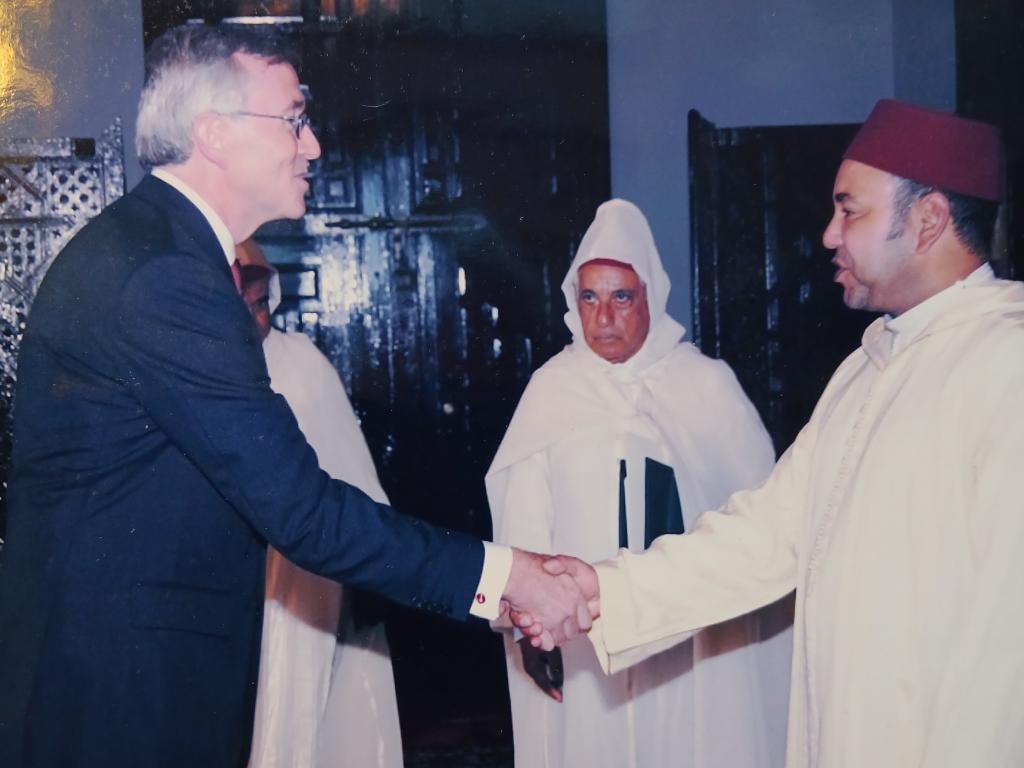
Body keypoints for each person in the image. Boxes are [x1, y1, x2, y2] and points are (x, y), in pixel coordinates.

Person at [0, 24, 589, 768]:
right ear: (213, 133)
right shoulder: (165, 278)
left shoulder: (157, 249)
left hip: (125, 682)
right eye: (293, 119)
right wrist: (506, 579)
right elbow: (301, 512)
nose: (311, 145)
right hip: (120, 703)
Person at [541, 99, 1024, 767]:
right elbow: (766, 535)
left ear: (928, 220)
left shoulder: (1005, 362)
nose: (828, 234)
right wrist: (601, 590)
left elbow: (1007, 647)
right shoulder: (868, 367)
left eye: (850, 211)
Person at [487, 199, 792, 767]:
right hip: (581, 631)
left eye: (621, 297)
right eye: (589, 298)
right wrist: (526, 632)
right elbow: (522, 519)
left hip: (691, 631)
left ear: (651, 295)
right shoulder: (551, 390)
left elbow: (762, 515)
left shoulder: (705, 384)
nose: (603, 317)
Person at [236, 250, 402, 768]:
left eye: (261, 305)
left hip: (302, 572)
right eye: (240, 306)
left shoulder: (301, 361)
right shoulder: (199, 368)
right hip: (232, 570)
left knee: (298, 704)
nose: (254, 319)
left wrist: (373, 572)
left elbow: (351, 467)